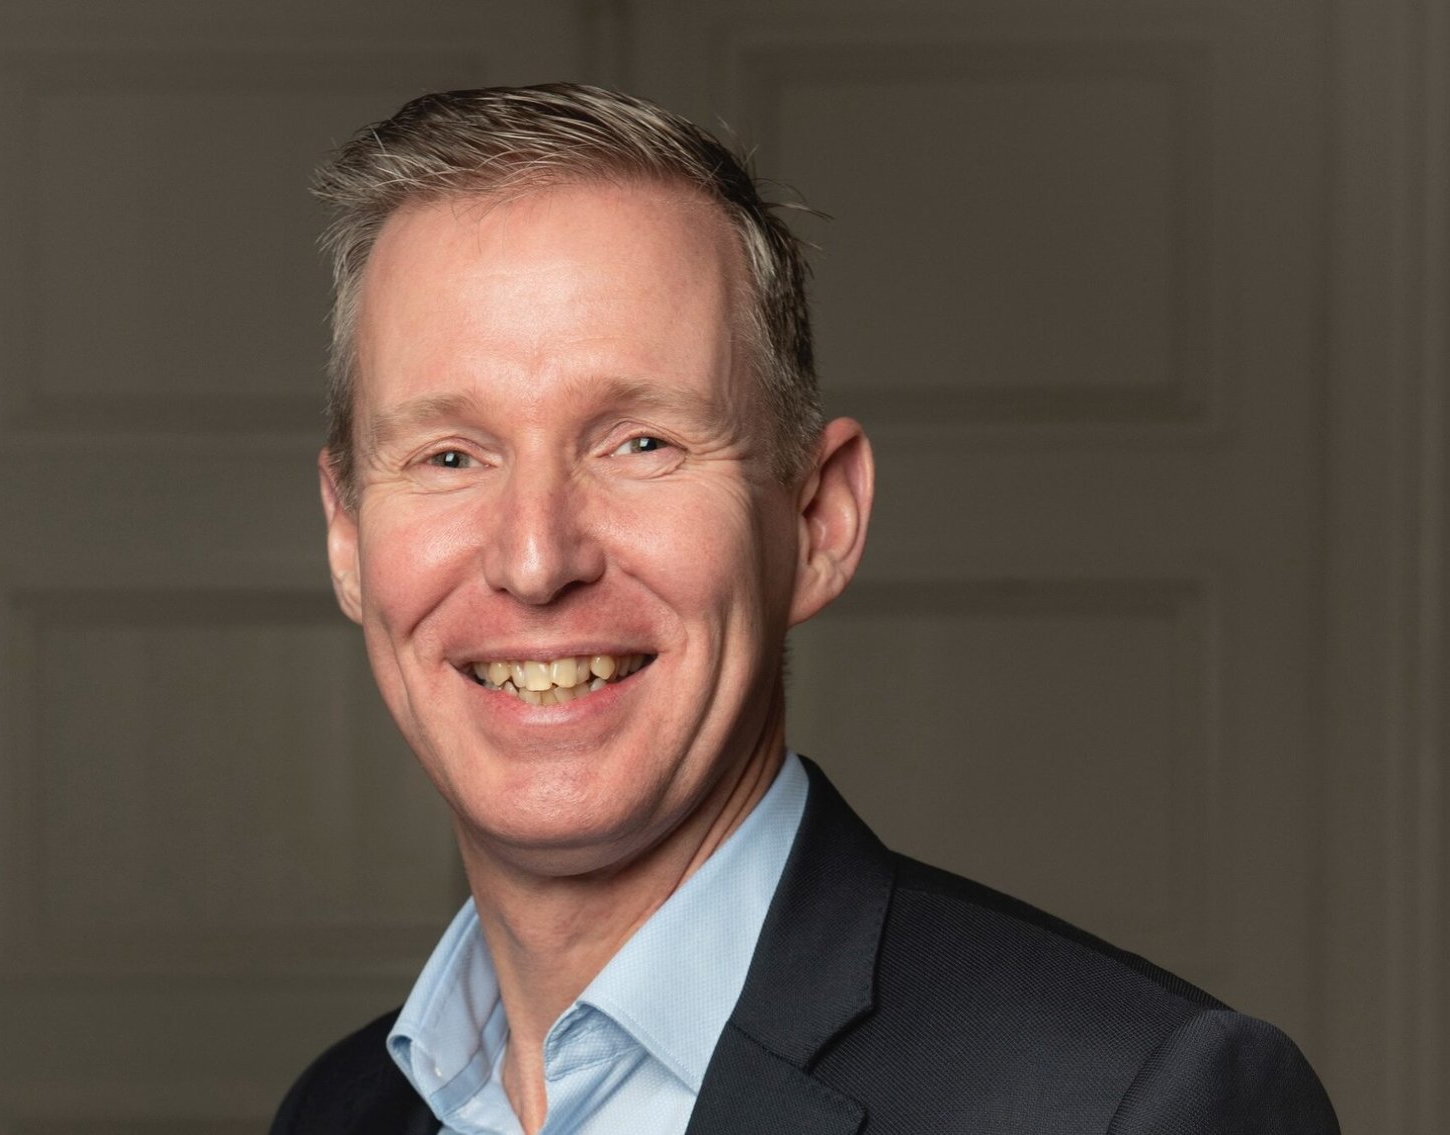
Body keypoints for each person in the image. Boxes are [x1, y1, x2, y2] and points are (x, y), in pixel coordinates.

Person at [271, 83, 1339, 1135]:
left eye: (642, 443)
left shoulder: (1134, 1100)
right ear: (346, 536)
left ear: (820, 519)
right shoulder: (340, 1108)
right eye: (449, 456)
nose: (537, 557)